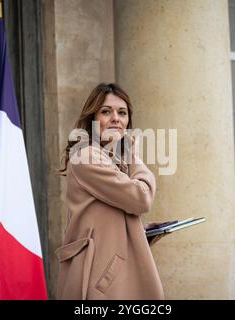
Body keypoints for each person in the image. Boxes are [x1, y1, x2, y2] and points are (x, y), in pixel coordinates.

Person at [56, 83, 169, 300]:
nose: (116, 118)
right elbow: (141, 198)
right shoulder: (87, 156)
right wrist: (133, 155)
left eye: (122, 112)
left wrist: (140, 232)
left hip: (112, 277)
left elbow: (107, 217)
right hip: (99, 283)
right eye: (106, 112)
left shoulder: (113, 160)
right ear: (93, 120)